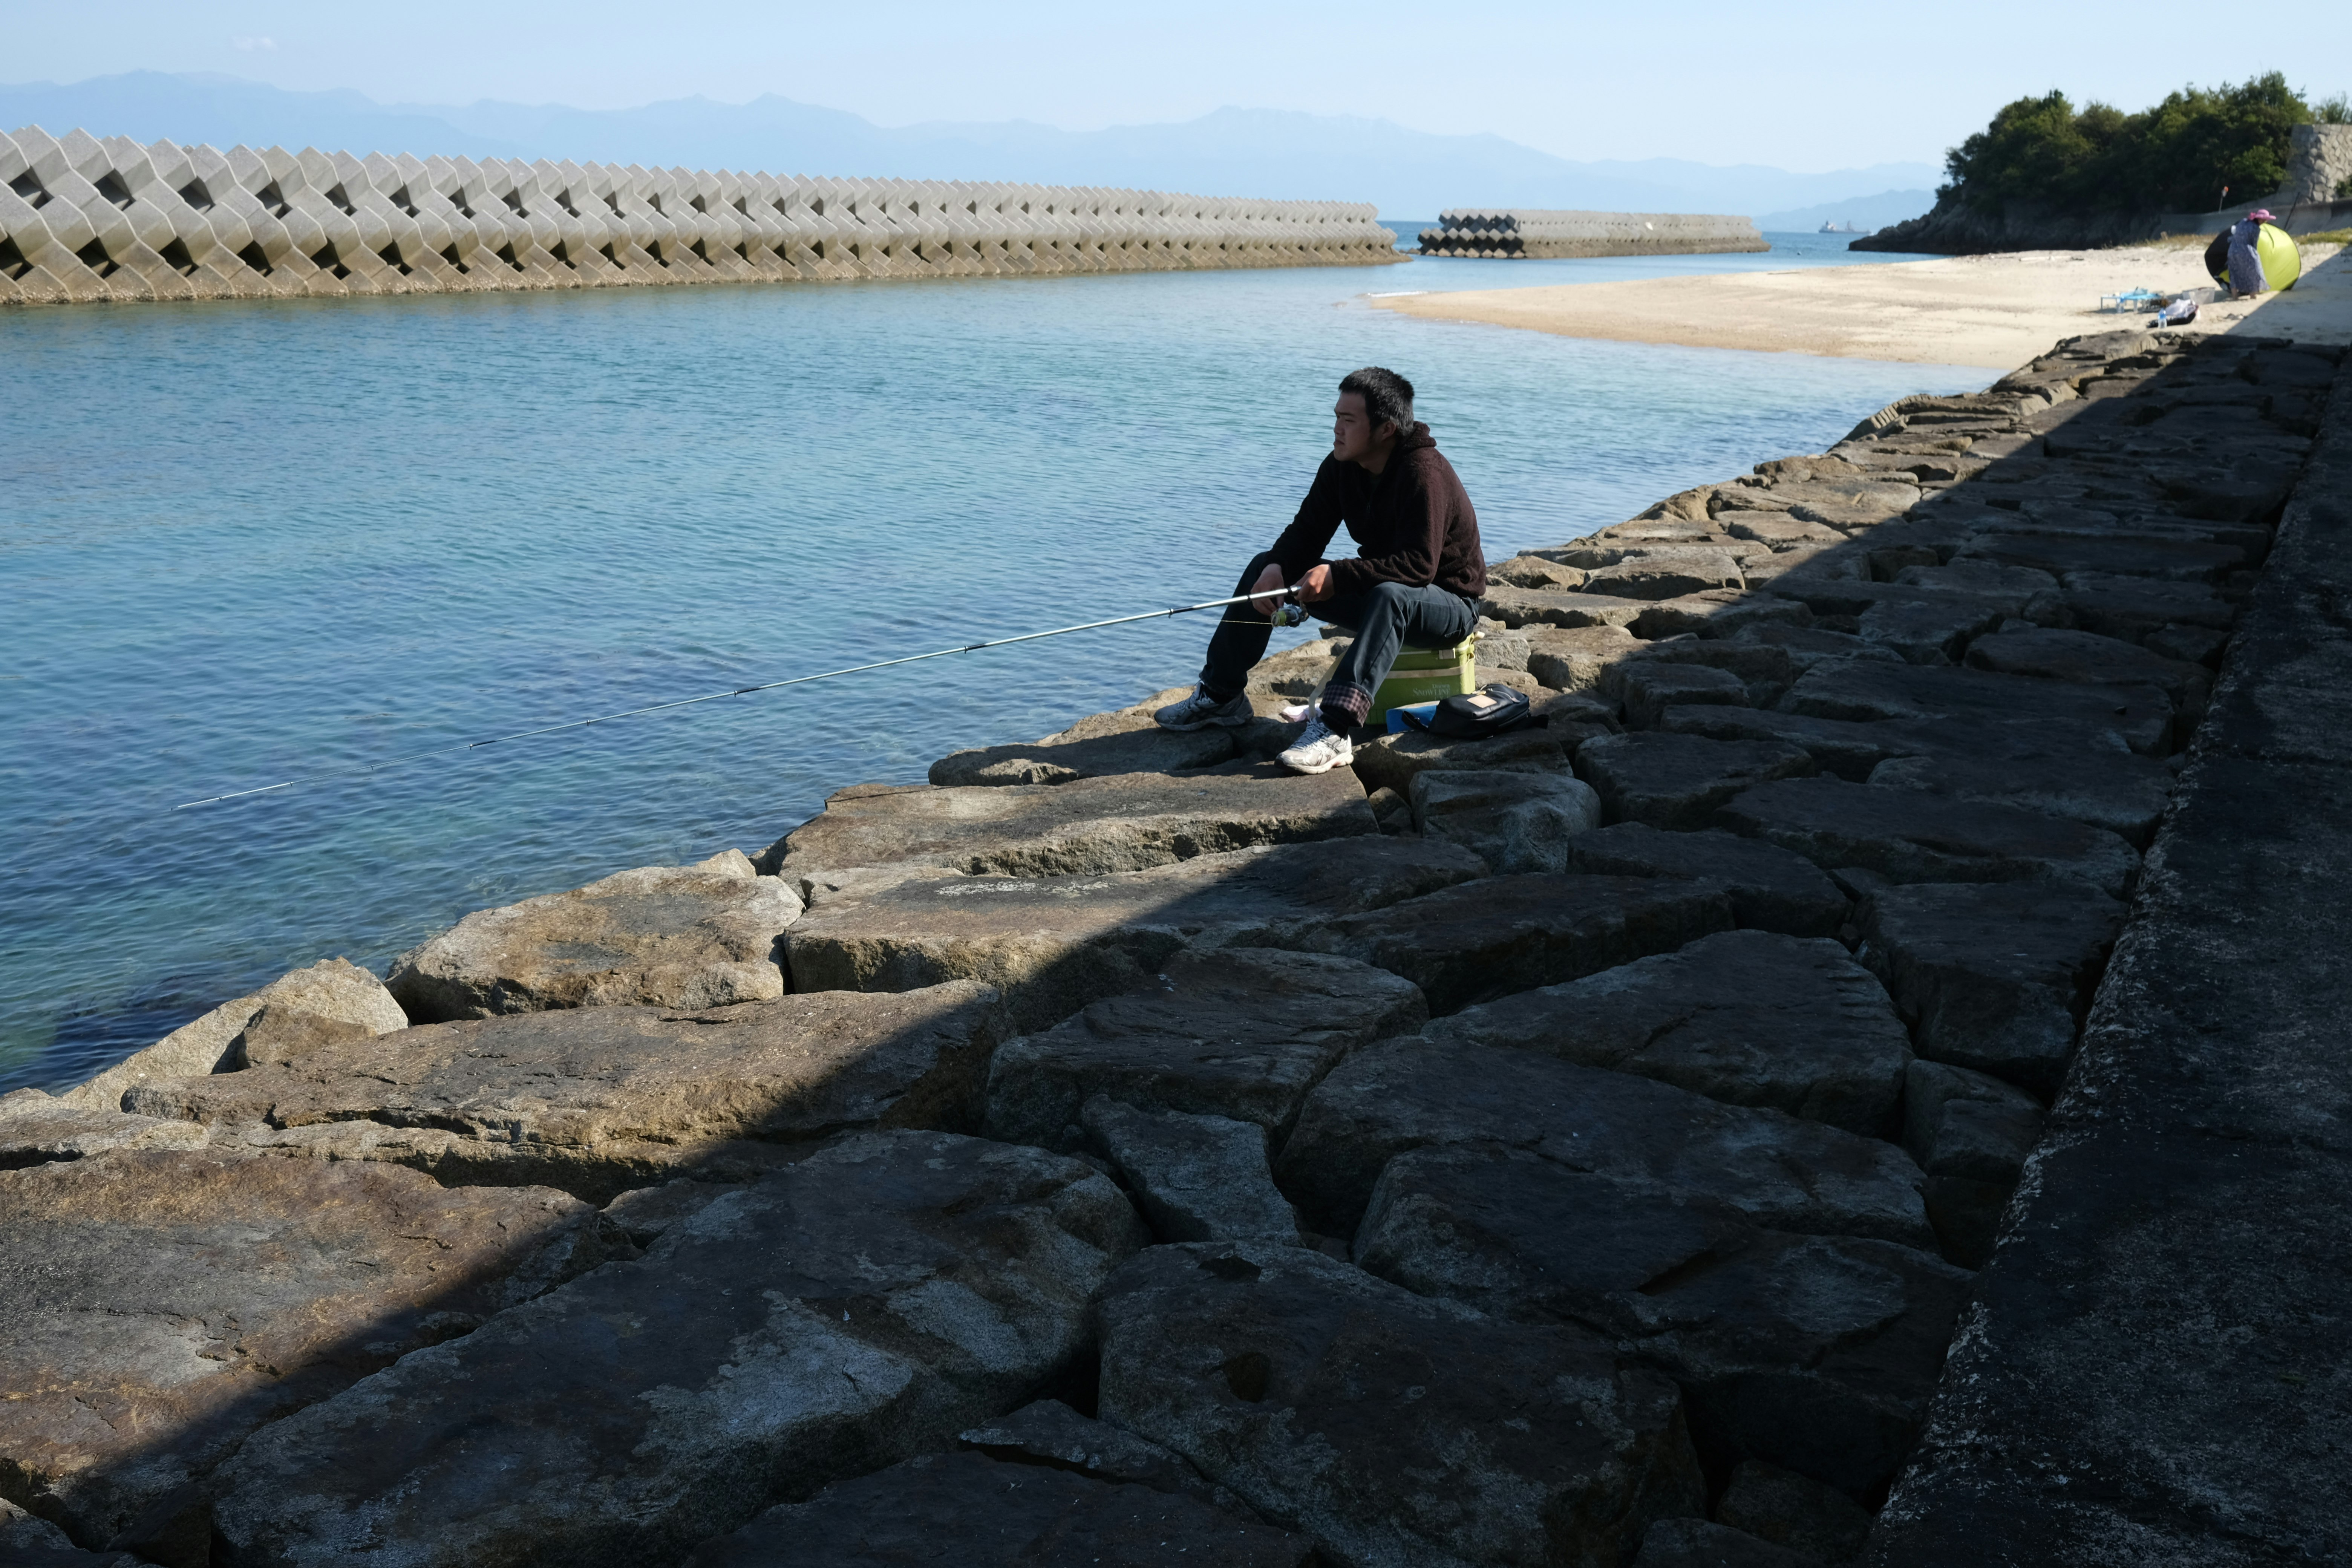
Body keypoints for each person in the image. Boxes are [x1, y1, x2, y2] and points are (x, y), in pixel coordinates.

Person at [1154, 366, 1486, 775]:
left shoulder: (1424, 472)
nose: (1337, 429)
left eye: (1348, 420)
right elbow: (1307, 533)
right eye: (1336, 417)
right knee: (1265, 565)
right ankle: (1222, 695)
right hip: (1387, 595)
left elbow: (1419, 566)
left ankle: (1334, 729)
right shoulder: (1342, 466)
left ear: (1385, 429)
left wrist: (1337, 577)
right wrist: (1278, 568)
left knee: (1391, 595)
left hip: (1449, 606)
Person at [2227, 210, 2275, 299]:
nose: (2265, 222)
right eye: (2264, 220)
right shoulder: (2256, 228)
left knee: (2234, 272)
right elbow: (2254, 244)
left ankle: (2235, 296)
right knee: (2253, 272)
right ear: (2260, 219)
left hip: (2233, 249)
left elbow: (2235, 233)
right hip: (2246, 251)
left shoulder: (2243, 221)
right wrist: (2255, 255)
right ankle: (2252, 295)